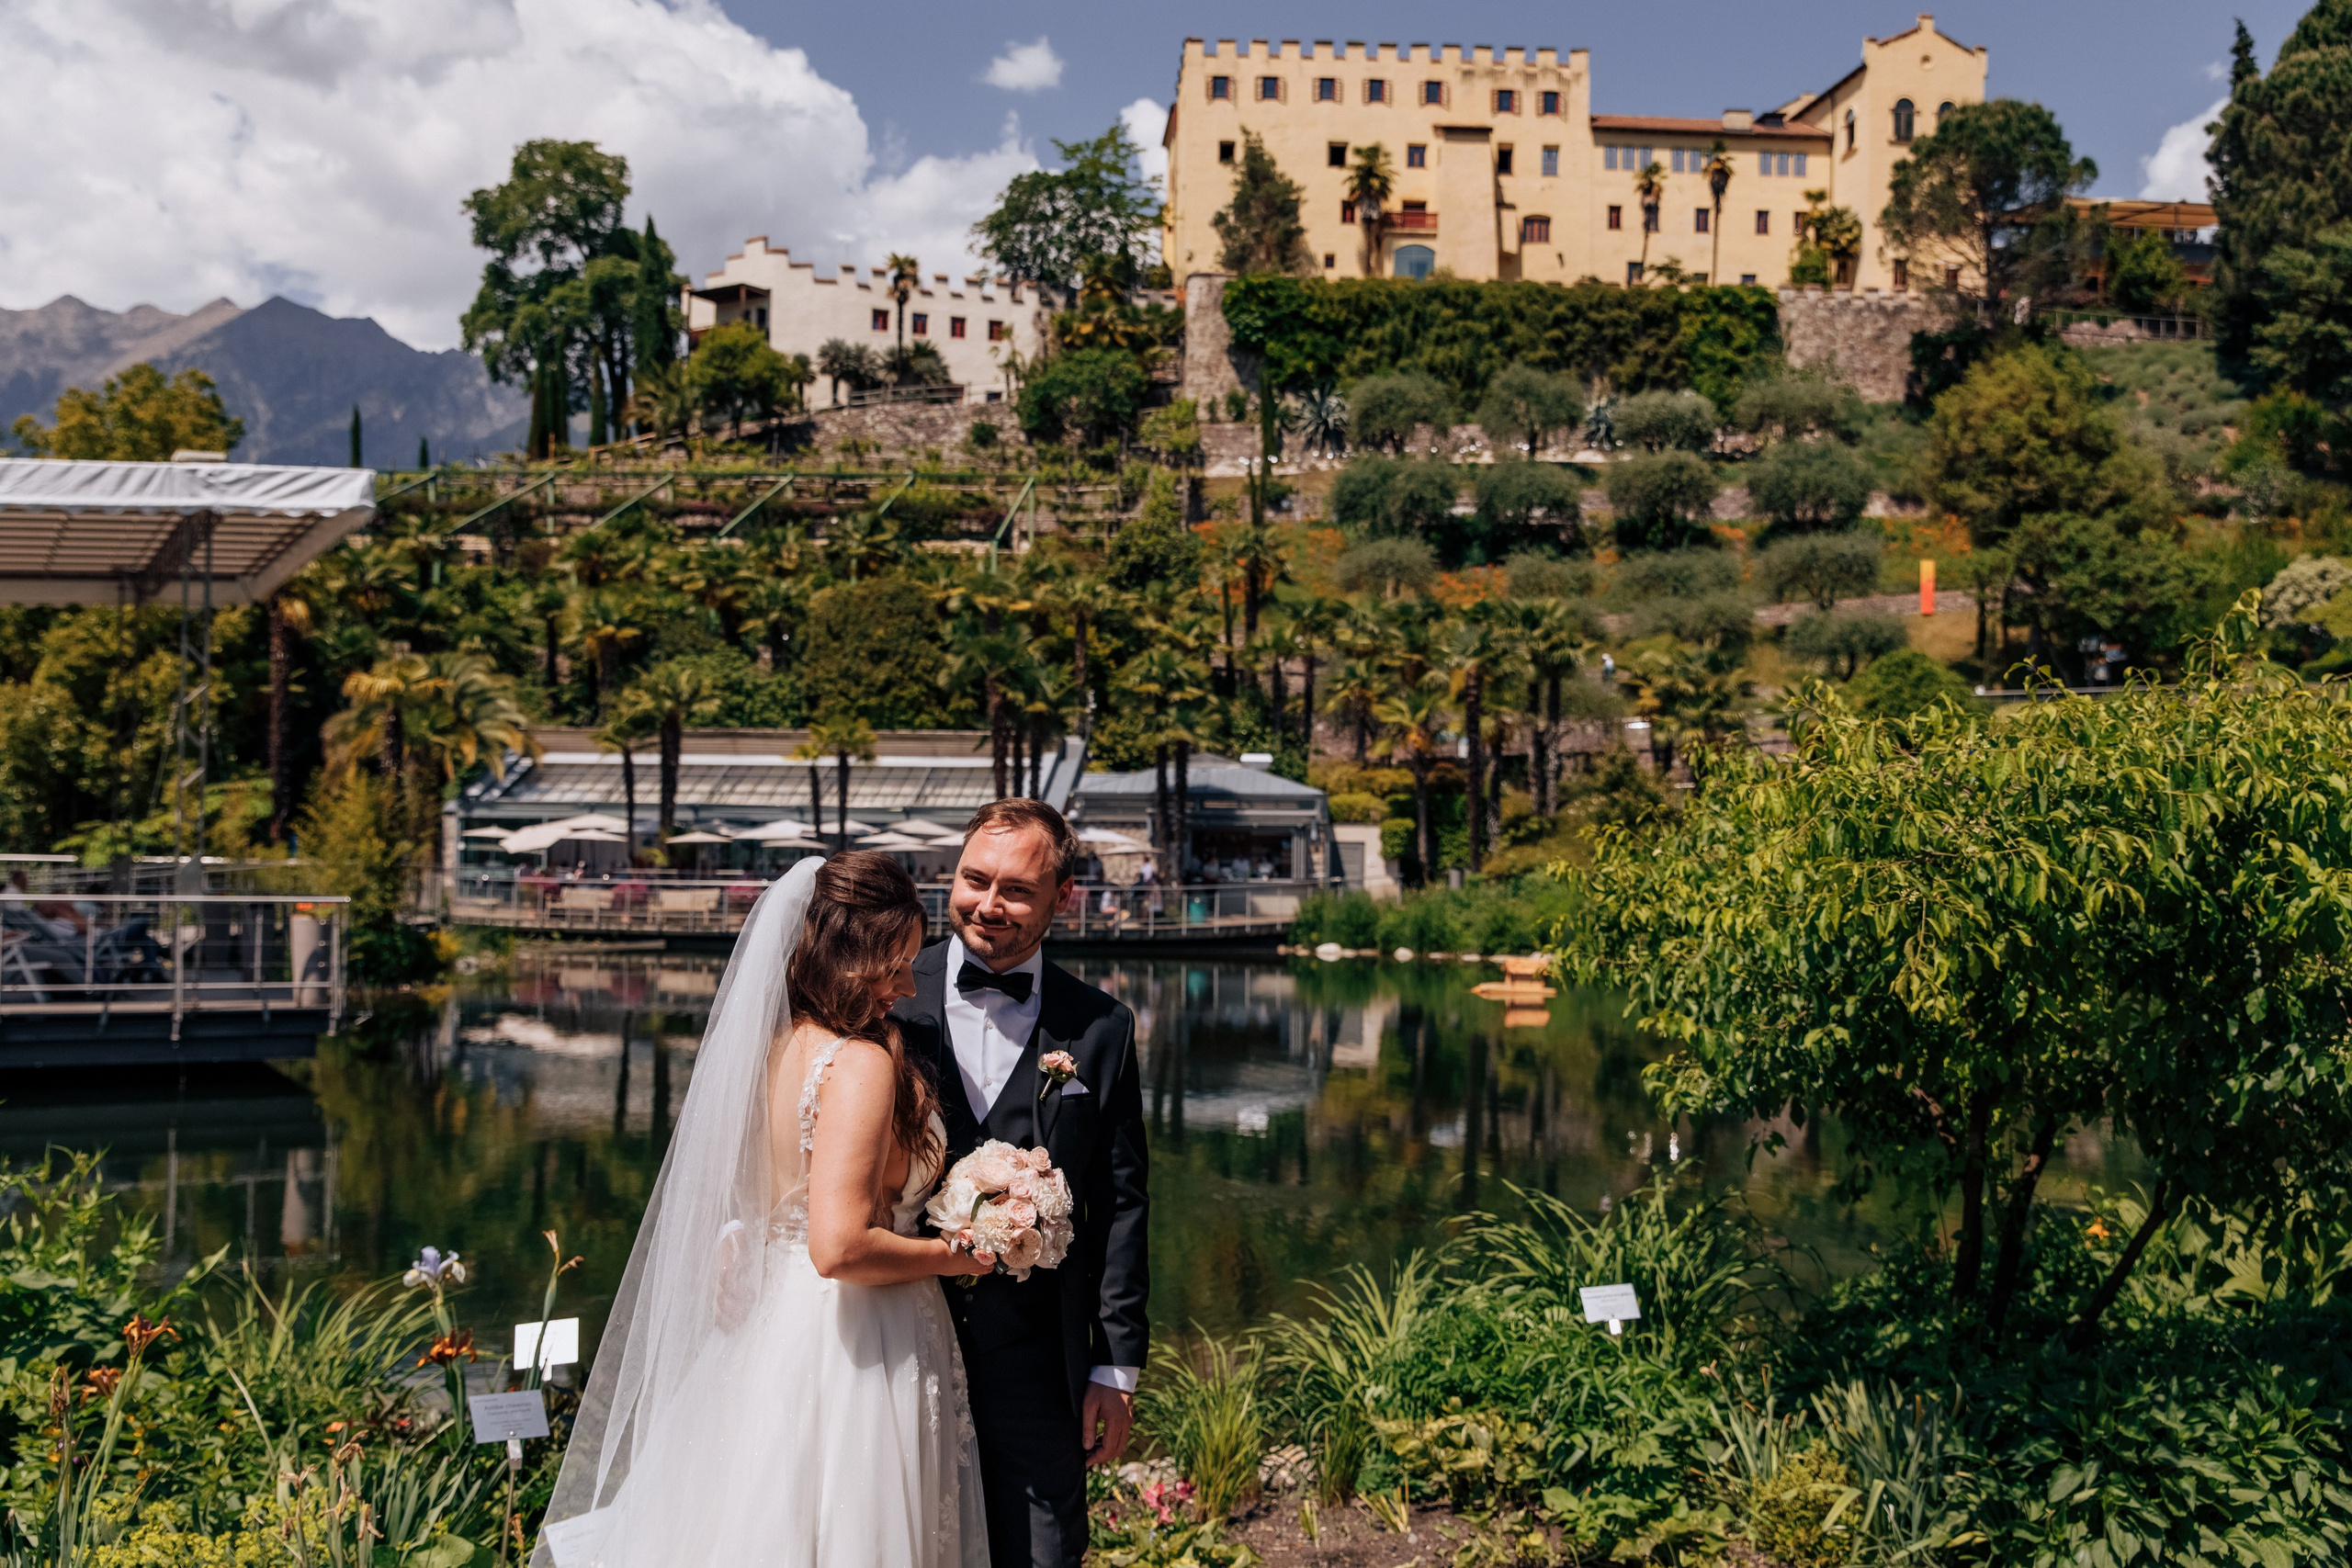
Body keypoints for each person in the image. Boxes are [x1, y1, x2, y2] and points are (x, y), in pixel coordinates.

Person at [538, 852, 988, 1567]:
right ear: (848, 956)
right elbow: (839, 1246)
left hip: (770, 1330)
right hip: (857, 1341)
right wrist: (959, 1255)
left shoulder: (774, 1048)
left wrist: (736, 1239)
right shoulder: (860, 1063)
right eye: (894, 963)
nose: (907, 986)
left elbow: (767, 1202)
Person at [890, 798, 1148, 1568]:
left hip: (1041, 1360)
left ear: (1062, 898)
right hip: (896, 1342)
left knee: (1042, 1555)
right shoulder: (889, 995)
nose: (987, 904)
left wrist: (1116, 1363)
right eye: (974, 879)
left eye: (1016, 890)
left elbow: (1122, 1199)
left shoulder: (1102, 1026)